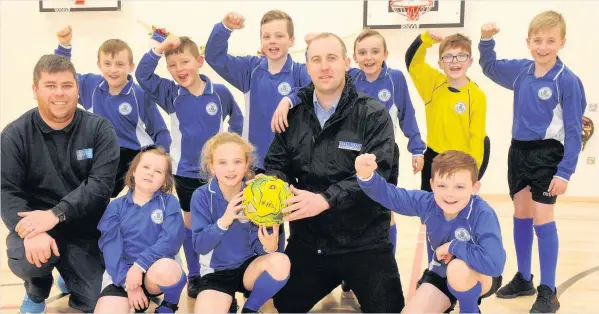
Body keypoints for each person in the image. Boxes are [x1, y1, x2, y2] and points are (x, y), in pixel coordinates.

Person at [264, 32, 404, 313]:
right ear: (307, 67)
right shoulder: (292, 115)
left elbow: (381, 175)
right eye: (316, 59)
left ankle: (354, 280)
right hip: (311, 242)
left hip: (364, 243)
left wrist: (325, 200)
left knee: (389, 308)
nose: (324, 66)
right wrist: (270, 189)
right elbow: (276, 165)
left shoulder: (373, 114)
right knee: (284, 305)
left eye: (331, 58)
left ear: (346, 63)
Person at [478, 10, 587, 313]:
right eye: (537, 40)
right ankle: (524, 277)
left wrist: (565, 171)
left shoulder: (567, 81)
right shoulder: (521, 72)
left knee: (543, 218)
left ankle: (548, 290)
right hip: (518, 153)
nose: (543, 46)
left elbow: (575, 132)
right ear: (528, 41)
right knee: (521, 213)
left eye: (550, 41)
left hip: (547, 155)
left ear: (562, 43)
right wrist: (486, 41)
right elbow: (488, 66)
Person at [1, 54, 120, 313]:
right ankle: (37, 290)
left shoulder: (100, 129)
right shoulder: (15, 134)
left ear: (77, 88)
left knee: (97, 302)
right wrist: (32, 230)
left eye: (67, 85)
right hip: (35, 228)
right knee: (29, 258)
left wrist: (56, 214)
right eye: (50, 85)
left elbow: (100, 186)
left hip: (84, 230)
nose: (60, 93)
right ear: (35, 90)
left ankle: (70, 273)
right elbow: (7, 191)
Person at [135, 34, 243, 298]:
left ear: (200, 61)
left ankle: (219, 274)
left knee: (221, 222)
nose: (179, 69)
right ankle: (195, 275)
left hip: (217, 175)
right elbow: (143, 74)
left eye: (185, 62)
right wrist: (160, 48)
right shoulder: (171, 94)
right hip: (185, 174)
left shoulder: (220, 93)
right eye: (172, 65)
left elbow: (237, 121)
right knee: (192, 225)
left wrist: (230, 153)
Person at [355, 150, 505, 313]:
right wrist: (367, 177)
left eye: (459, 187)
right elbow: (393, 197)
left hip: (480, 273)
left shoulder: (482, 213)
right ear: (432, 184)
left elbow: (494, 264)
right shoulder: (428, 203)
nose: (450, 194)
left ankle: (469, 309)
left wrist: (453, 247)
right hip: (440, 274)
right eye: (442, 185)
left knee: (457, 269)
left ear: (474, 187)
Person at [54, 25, 171, 198]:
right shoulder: (90, 85)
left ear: (130, 66)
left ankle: (107, 203)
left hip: (130, 152)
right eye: (107, 64)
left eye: (119, 64)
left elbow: (160, 130)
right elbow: (62, 75)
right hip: (96, 148)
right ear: (99, 65)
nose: (113, 69)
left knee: (105, 187)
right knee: (71, 158)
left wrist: (160, 159)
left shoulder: (139, 94)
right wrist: (64, 45)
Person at [191, 132, 290, 313]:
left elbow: (262, 250)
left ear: (247, 166)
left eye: (237, 162)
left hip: (248, 269)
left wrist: (269, 247)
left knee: (281, 262)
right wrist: (224, 221)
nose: (230, 169)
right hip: (217, 273)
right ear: (211, 166)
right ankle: (228, 302)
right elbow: (200, 246)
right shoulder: (201, 196)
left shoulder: (256, 195)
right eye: (222, 162)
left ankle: (250, 309)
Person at [204, 10, 311, 172]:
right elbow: (214, 57)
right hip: (256, 165)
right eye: (266, 37)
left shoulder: (299, 72)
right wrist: (224, 28)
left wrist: (289, 99)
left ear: (291, 40)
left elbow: (318, 87)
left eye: (279, 36)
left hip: (291, 166)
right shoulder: (250, 70)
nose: (272, 41)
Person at [95, 146, 186, 313]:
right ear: (134, 172)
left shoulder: (169, 202)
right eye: (145, 167)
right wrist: (129, 284)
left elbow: (171, 240)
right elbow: (111, 248)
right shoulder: (115, 207)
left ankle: (169, 306)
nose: (150, 173)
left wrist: (140, 266)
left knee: (168, 268)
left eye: (158, 171)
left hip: (154, 271)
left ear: (165, 181)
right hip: (123, 273)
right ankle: (135, 300)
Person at [405, 30, 490, 192]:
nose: (454, 61)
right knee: (429, 206)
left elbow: (477, 137)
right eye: (448, 56)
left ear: (470, 61)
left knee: (455, 207)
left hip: (462, 161)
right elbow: (412, 62)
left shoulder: (477, 96)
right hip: (434, 157)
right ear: (440, 63)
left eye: (461, 56)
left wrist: (472, 172)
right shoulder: (432, 84)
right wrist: (425, 40)